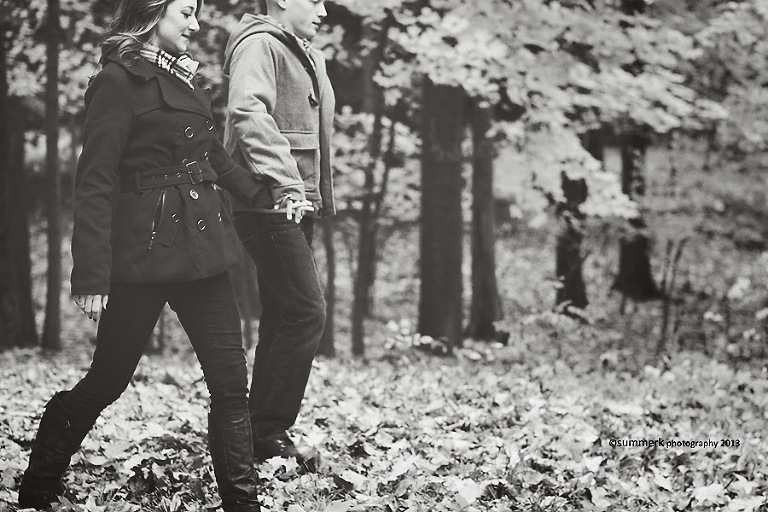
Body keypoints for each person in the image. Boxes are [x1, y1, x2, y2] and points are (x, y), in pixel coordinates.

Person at [18, 0, 262, 510]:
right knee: (107, 381)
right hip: (141, 256)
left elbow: (213, 158)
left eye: (197, 13)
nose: (196, 24)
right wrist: (91, 274)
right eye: (186, 13)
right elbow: (95, 180)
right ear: (153, 14)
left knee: (230, 385)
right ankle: (38, 485)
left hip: (204, 252)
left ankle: (243, 504)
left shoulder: (186, 78)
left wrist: (268, 195)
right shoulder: (115, 82)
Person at [222, 0, 335, 469]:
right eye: (315, 0)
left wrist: (306, 191)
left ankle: (256, 433)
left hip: (292, 200)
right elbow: (246, 110)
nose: (323, 11)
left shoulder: (300, 50)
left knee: (286, 310)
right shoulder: (260, 45)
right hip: (270, 200)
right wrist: (287, 182)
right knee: (306, 310)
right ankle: (265, 430)